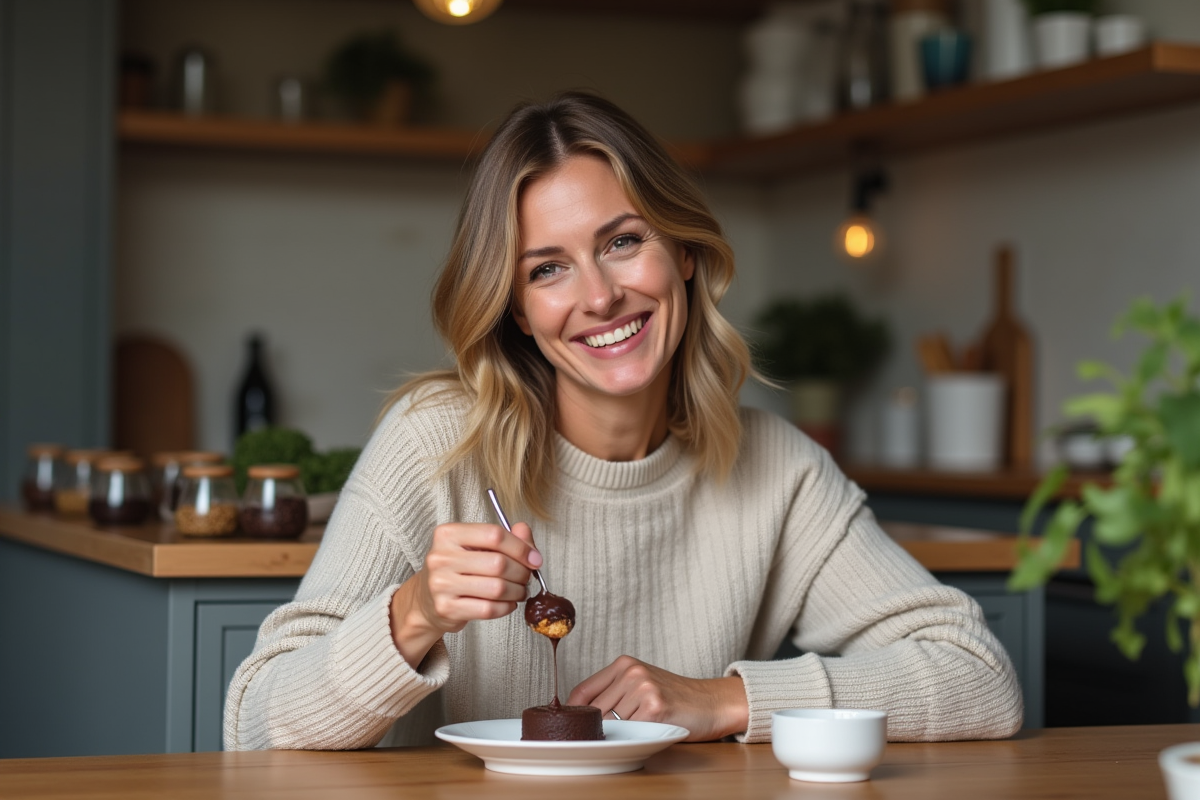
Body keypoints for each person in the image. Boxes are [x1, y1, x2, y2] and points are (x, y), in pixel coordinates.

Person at [224, 91, 1023, 751]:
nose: (599, 297)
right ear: (518, 313)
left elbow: (981, 680)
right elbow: (255, 725)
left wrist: (726, 700)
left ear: (682, 251)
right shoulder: (435, 443)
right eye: (548, 270)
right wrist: (414, 614)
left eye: (624, 241)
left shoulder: (775, 467)